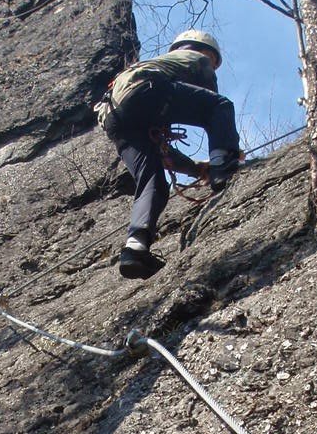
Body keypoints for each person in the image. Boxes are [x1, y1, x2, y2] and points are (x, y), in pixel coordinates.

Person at [100, 30, 243, 279]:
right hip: (146, 91)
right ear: (201, 49)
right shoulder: (191, 57)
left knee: (152, 183)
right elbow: (211, 98)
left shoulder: (155, 66)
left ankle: (135, 250)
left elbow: (165, 155)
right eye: (211, 59)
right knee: (221, 106)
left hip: (116, 118)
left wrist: (198, 169)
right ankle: (224, 167)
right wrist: (224, 153)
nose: (211, 64)